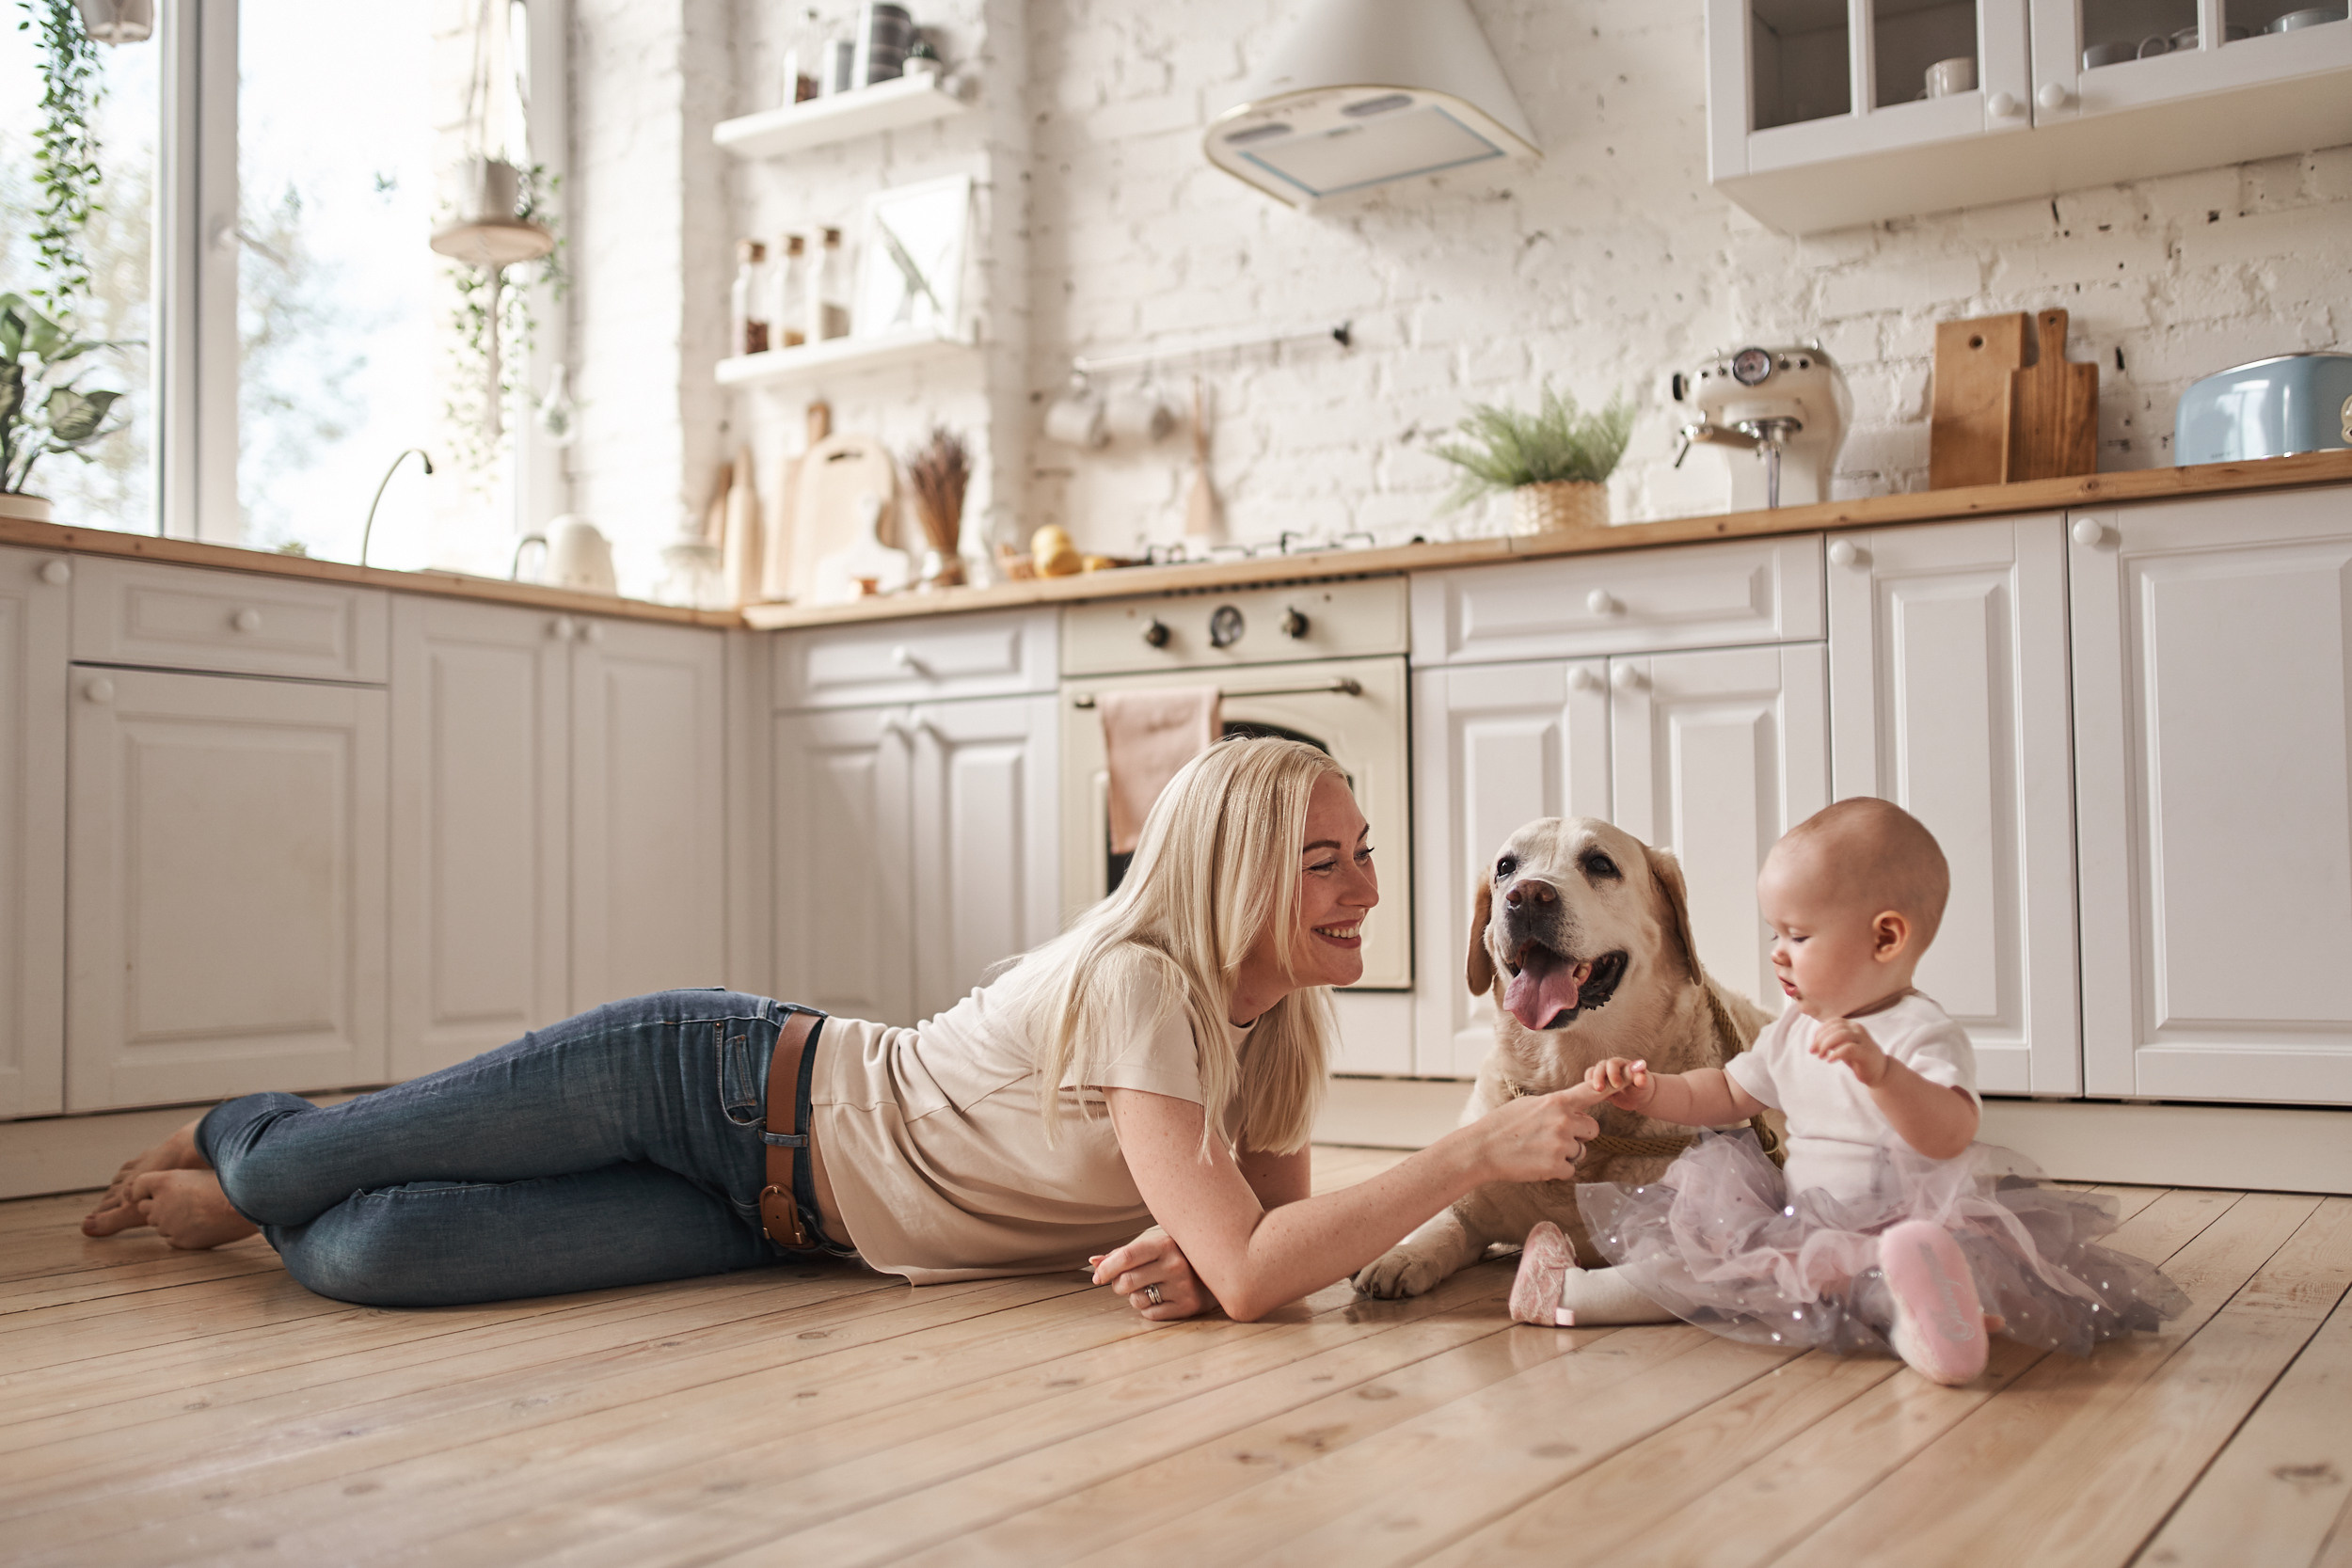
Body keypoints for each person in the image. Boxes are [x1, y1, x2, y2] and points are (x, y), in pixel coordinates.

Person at [82, 737, 1604, 1322]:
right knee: (295, 1191)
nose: (1367, 888)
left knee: (368, 1258)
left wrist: (1197, 1261)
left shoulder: (1273, 1036)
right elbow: (1270, 1264)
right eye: (1322, 858)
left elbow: (1272, 1242)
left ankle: (277, 1174)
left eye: (1366, 849)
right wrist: (1469, 1149)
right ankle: (253, 1133)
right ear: (1230, 874)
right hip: (713, 1081)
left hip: (788, 1226)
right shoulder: (1148, 982)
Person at [1510, 797, 2185, 1384]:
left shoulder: (1920, 1031)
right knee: (1692, 1265)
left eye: (1797, 935)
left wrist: (1885, 1076)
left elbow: (1950, 1131)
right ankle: (1573, 1291)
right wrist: (1651, 1091)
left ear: (1886, 937)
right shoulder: (1794, 1029)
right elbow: (1725, 1092)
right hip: (1804, 1226)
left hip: (1911, 1225)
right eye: (1775, 932)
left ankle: (1932, 1330)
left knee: (1895, 1280)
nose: (1776, 952)